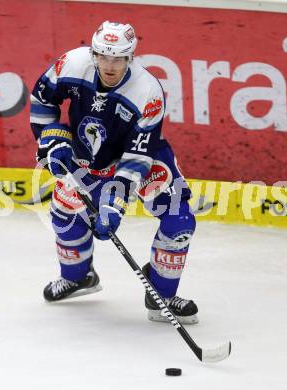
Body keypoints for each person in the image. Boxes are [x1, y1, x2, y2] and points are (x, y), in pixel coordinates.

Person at [30, 21, 198, 324]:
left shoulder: (148, 92)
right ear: (93, 53)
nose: (110, 65)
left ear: (131, 57)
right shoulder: (71, 63)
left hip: (143, 156)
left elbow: (137, 154)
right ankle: (79, 278)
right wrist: (52, 140)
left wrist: (114, 203)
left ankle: (163, 295)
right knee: (64, 216)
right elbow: (43, 100)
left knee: (179, 220)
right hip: (88, 153)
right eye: (104, 56)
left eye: (119, 58)